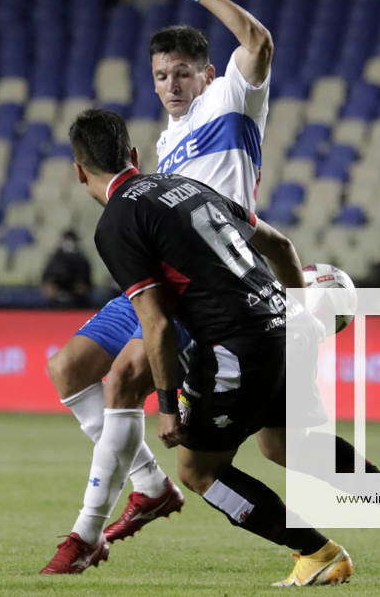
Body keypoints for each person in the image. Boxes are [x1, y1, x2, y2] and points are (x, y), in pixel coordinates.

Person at [41, 0, 277, 573]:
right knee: (67, 369)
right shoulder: (167, 144)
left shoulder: (233, 102)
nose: (171, 86)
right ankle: (150, 487)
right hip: (161, 279)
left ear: (205, 74)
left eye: (181, 74)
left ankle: (85, 534)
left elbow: (257, 40)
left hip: (208, 289)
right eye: (160, 77)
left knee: (122, 381)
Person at [61, 108, 354, 586]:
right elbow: (279, 245)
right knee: (282, 445)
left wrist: (168, 406)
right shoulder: (186, 186)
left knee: (199, 472)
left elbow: (155, 324)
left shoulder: (117, 220)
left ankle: (316, 550)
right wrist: (296, 309)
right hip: (280, 328)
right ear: (133, 155)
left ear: (79, 171)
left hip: (233, 346)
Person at [40, 230, 92, 307]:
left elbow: (85, 284)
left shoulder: (81, 260)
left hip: (78, 300)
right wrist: (53, 287)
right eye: (67, 240)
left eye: (72, 240)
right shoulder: (55, 259)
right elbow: (47, 280)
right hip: (55, 300)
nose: (69, 244)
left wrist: (80, 287)